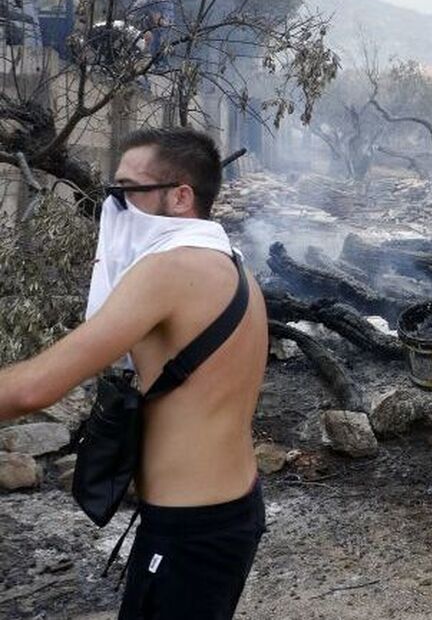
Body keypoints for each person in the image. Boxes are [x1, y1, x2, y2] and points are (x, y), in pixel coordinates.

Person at [0, 128, 268, 619]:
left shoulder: (168, 269)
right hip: (229, 512)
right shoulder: (233, 265)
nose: (115, 206)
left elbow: (37, 386)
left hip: (189, 529)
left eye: (127, 191)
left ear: (181, 195)